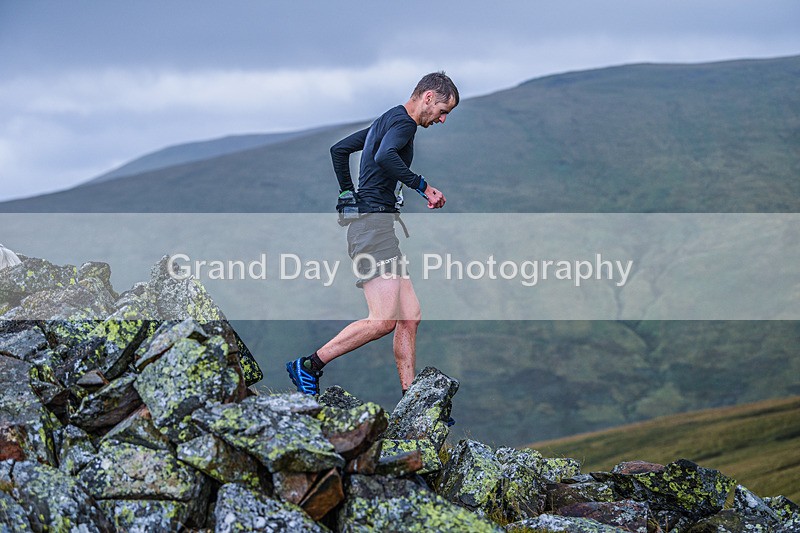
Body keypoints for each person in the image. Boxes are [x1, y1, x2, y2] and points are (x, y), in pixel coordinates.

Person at [286, 71, 459, 397]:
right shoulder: (403, 125)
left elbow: (339, 150)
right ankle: (309, 365)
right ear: (428, 98)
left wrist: (346, 194)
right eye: (442, 110)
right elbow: (384, 156)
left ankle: (411, 401)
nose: (443, 119)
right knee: (382, 321)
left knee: (410, 317)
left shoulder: (388, 119)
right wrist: (423, 187)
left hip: (375, 226)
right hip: (371, 229)